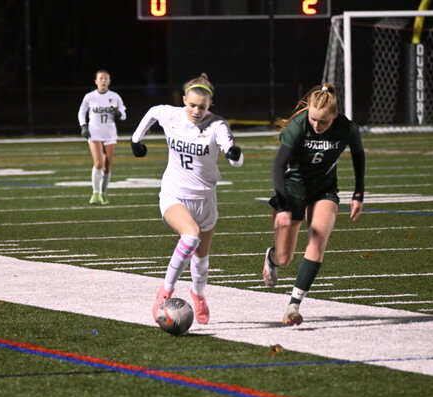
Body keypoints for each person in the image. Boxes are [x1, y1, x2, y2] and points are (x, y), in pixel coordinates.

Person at [130, 73, 244, 325]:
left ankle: (198, 294)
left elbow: (233, 156)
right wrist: (136, 139)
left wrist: (234, 154)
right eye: (192, 105)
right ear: (184, 100)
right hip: (174, 195)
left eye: (202, 107)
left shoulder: (217, 125)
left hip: (205, 201)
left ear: (210, 104)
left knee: (201, 259)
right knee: (190, 236)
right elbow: (153, 112)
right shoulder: (171, 115)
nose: (196, 111)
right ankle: (165, 292)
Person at [262, 83, 365, 326]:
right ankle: (272, 258)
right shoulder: (298, 126)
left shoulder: (347, 128)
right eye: (313, 119)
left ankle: (293, 306)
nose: (317, 125)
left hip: (324, 189)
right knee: (284, 258)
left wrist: (358, 193)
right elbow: (278, 166)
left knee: (317, 241)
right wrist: (283, 206)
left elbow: (358, 155)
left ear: (334, 115)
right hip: (293, 188)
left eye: (323, 121)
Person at [77, 69, 127, 205]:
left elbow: (124, 115)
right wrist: (83, 126)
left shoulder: (115, 97)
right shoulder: (89, 97)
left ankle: (103, 193)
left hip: (110, 134)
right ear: (96, 81)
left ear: (109, 81)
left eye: (106, 79)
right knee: (98, 163)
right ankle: (95, 192)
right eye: (101, 79)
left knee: (107, 166)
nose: (103, 81)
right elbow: (81, 112)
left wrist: (118, 113)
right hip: (94, 133)